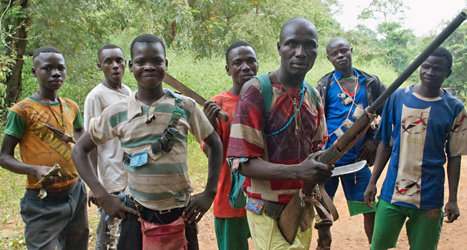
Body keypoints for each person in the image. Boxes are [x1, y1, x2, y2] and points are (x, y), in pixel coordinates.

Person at [71, 34, 223, 250]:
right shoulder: (117, 112)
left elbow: (215, 144)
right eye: (141, 62)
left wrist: (209, 192)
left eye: (157, 61)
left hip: (181, 213)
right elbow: (79, 151)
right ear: (131, 66)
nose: (149, 67)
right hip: (136, 214)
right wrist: (102, 195)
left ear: (166, 64)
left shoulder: (185, 106)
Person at [226, 17, 332, 250]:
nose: (301, 52)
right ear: (279, 47)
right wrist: (297, 171)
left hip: (303, 211)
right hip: (268, 210)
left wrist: (324, 219)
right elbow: (242, 164)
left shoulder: (313, 96)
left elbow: (317, 162)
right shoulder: (256, 90)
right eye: (292, 44)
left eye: (310, 45)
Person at [364, 47, 467, 250]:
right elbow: (385, 142)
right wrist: (372, 182)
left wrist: (452, 198)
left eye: (437, 69)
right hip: (391, 194)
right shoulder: (398, 97)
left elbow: (454, 155)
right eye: (426, 67)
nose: (430, 72)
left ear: (448, 73)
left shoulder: (455, 108)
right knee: (378, 247)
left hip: (429, 197)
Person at [0, 46, 88, 250]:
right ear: (34, 72)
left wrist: (83, 162)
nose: (56, 73)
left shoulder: (71, 106)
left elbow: (80, 133)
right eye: (47, 68)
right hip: (43, 200)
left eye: (60, 68)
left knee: (77, 243)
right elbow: (4, 157)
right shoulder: (21, 111)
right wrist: (34, 169)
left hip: (75, 192)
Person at [315, 37, 386, 246]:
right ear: (328, 58)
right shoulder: (325, 84)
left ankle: (374, 246)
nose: (340, 56)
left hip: (357, 161)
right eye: (334, 53)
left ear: (351, 51)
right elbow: (315, 120)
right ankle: (324, 244)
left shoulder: (370, 82)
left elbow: (389, 114)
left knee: (369, 206)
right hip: (328, 160)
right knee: (323, 213)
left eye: (344, 51)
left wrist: (374, 141)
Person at [202, 41, 258, 250]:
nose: (245, 67)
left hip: (265, 196)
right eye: (238, 63)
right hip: (229, 196)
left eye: (250, 61)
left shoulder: (268, 99)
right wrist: (209, 127)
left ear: (257, 65)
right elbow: (210, 153)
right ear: (228, 69)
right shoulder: (218, 104)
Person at [84, 44, 131, 250]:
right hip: (109, 177)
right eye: (108, 62)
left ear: (126, 64)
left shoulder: (129, 92)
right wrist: (95, 184)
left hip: (128, 173)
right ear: (99, 66)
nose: (115, 66)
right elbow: (91, 143)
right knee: (108, 235)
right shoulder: (96, 97)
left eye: (119, 61)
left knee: (126, 234)